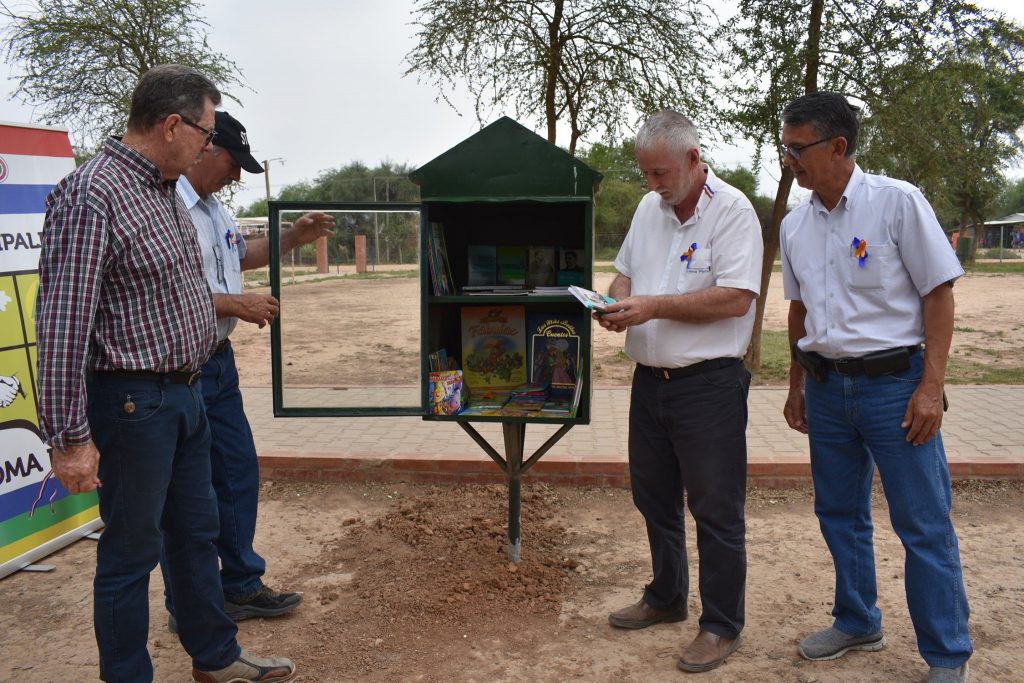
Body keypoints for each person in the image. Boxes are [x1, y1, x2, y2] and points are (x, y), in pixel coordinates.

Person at [36, 64, 295, 683]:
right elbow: (63, 326)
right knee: (130, 554)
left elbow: (185, 293)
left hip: (186, 394)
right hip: (131, 404)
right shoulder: (93, 194)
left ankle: (215, 657)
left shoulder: (167, 192)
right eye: (208, 134)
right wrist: (71, 439)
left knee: (195, 534)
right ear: (173, 124)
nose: (211, 147)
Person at [779, 91, 972, 683]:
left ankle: (946, 655)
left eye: (798, 148)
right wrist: (796, 385)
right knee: (839, 513)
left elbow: (938, 295)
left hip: (897, 389)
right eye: (783, 148)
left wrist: (931, 387)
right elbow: (798, 310)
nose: (789, 161)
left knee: (923, 524)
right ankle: (858, 618)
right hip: (828, 392)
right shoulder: (795, 223)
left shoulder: (896, 203)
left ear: (838, 146)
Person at [597, 110, 763, 674]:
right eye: (645, 173)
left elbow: (737, 298)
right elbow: (624, 273)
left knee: (716, 509)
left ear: (693, 159)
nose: (653, 185)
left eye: (661, 173)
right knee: (654, 498)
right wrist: (617, 299)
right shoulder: (650, 209)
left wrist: (652, 306)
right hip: (650, 384)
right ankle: (666, 596)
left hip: (708, 387)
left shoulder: (735, 212)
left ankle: (720, 625)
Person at [163, 111, 335, 631]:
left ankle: (239, 586)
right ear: (203, 146)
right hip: (179, 371)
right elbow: (167, 294)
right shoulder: (166, 208)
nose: (238, 175)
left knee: (236, 473)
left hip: (218, 366)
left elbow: (240, 258)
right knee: (187, 494)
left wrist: (291, 239)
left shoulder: (214, 211)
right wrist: (235, 306)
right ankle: (188, 604)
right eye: (233, 163)